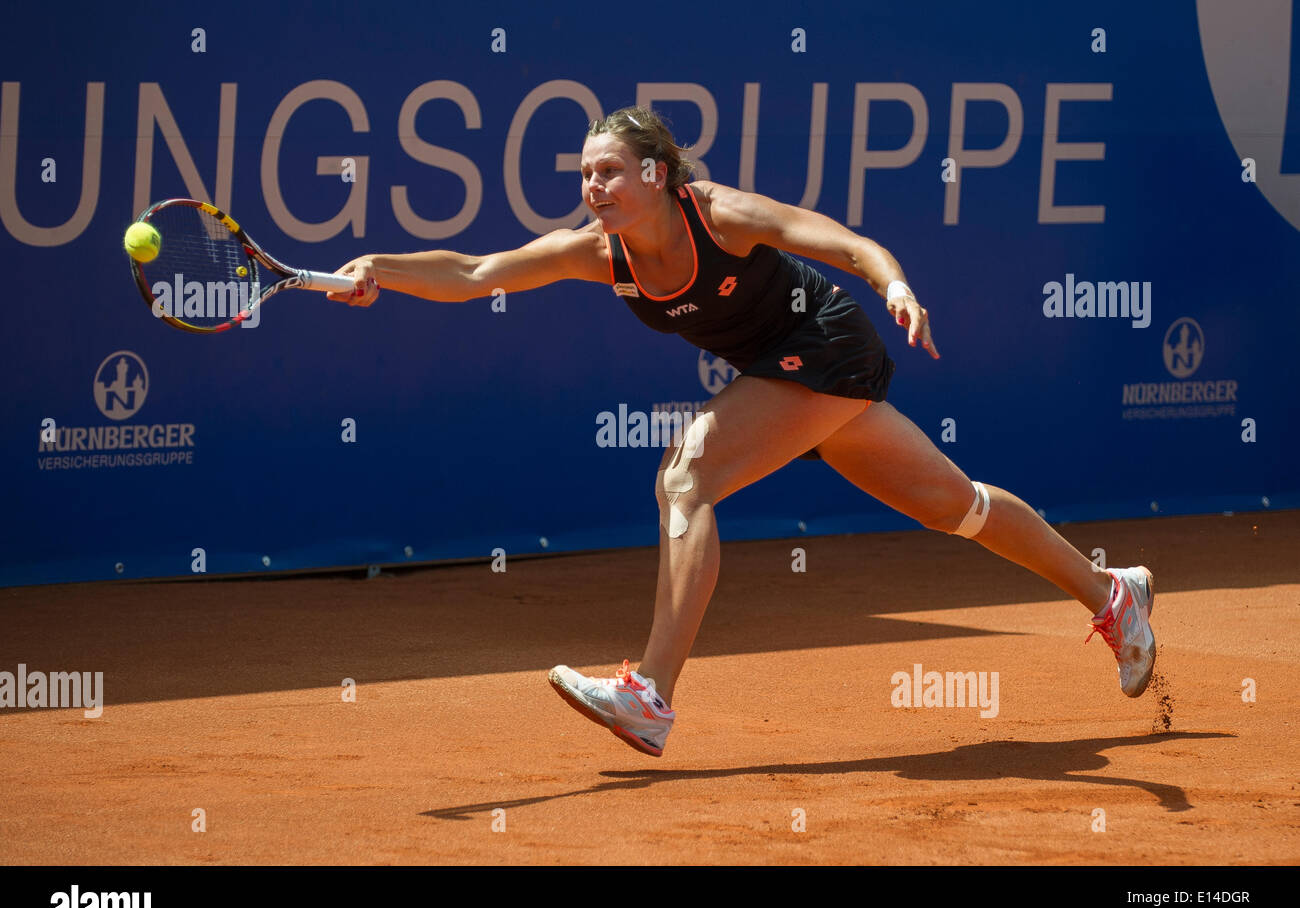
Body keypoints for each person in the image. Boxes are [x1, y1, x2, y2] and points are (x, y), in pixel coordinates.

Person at [328, 105, 1156, 757]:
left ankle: (650, 694)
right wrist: (382, 271)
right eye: (584, 174)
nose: (594, 188)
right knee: (956, 504)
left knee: (685, 477)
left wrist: (897, 285)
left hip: (828, 345)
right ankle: (1111, 593)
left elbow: (846, 244)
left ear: (656, 174)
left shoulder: (719, 216)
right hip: (785, 376)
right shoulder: (601, 252)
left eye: (609, 172)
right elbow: (476, 272)